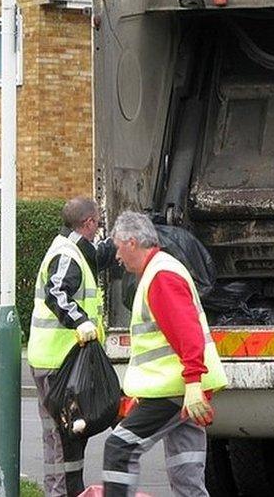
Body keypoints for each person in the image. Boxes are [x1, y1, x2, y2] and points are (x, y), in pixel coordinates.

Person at [102, 211, 228, 497]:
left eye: (117, 246)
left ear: (131, 242)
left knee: (119, 447)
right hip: (183, 389)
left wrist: (193, 382)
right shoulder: (162, 270)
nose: (117, 257)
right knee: (186, 472)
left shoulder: (161, 277)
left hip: (175, 389)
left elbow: (187, 333)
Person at [27, 197, 110, 497]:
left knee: (68, 435)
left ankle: (68, 492)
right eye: (98, 221)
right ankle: (59, 494)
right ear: (88, 223)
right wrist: (80, 321)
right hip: (57, 362)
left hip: (58, 361)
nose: (99, 226)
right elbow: (57, 293)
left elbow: (97, 256)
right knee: (61, 438)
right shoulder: (66, 255)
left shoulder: (72, 249)